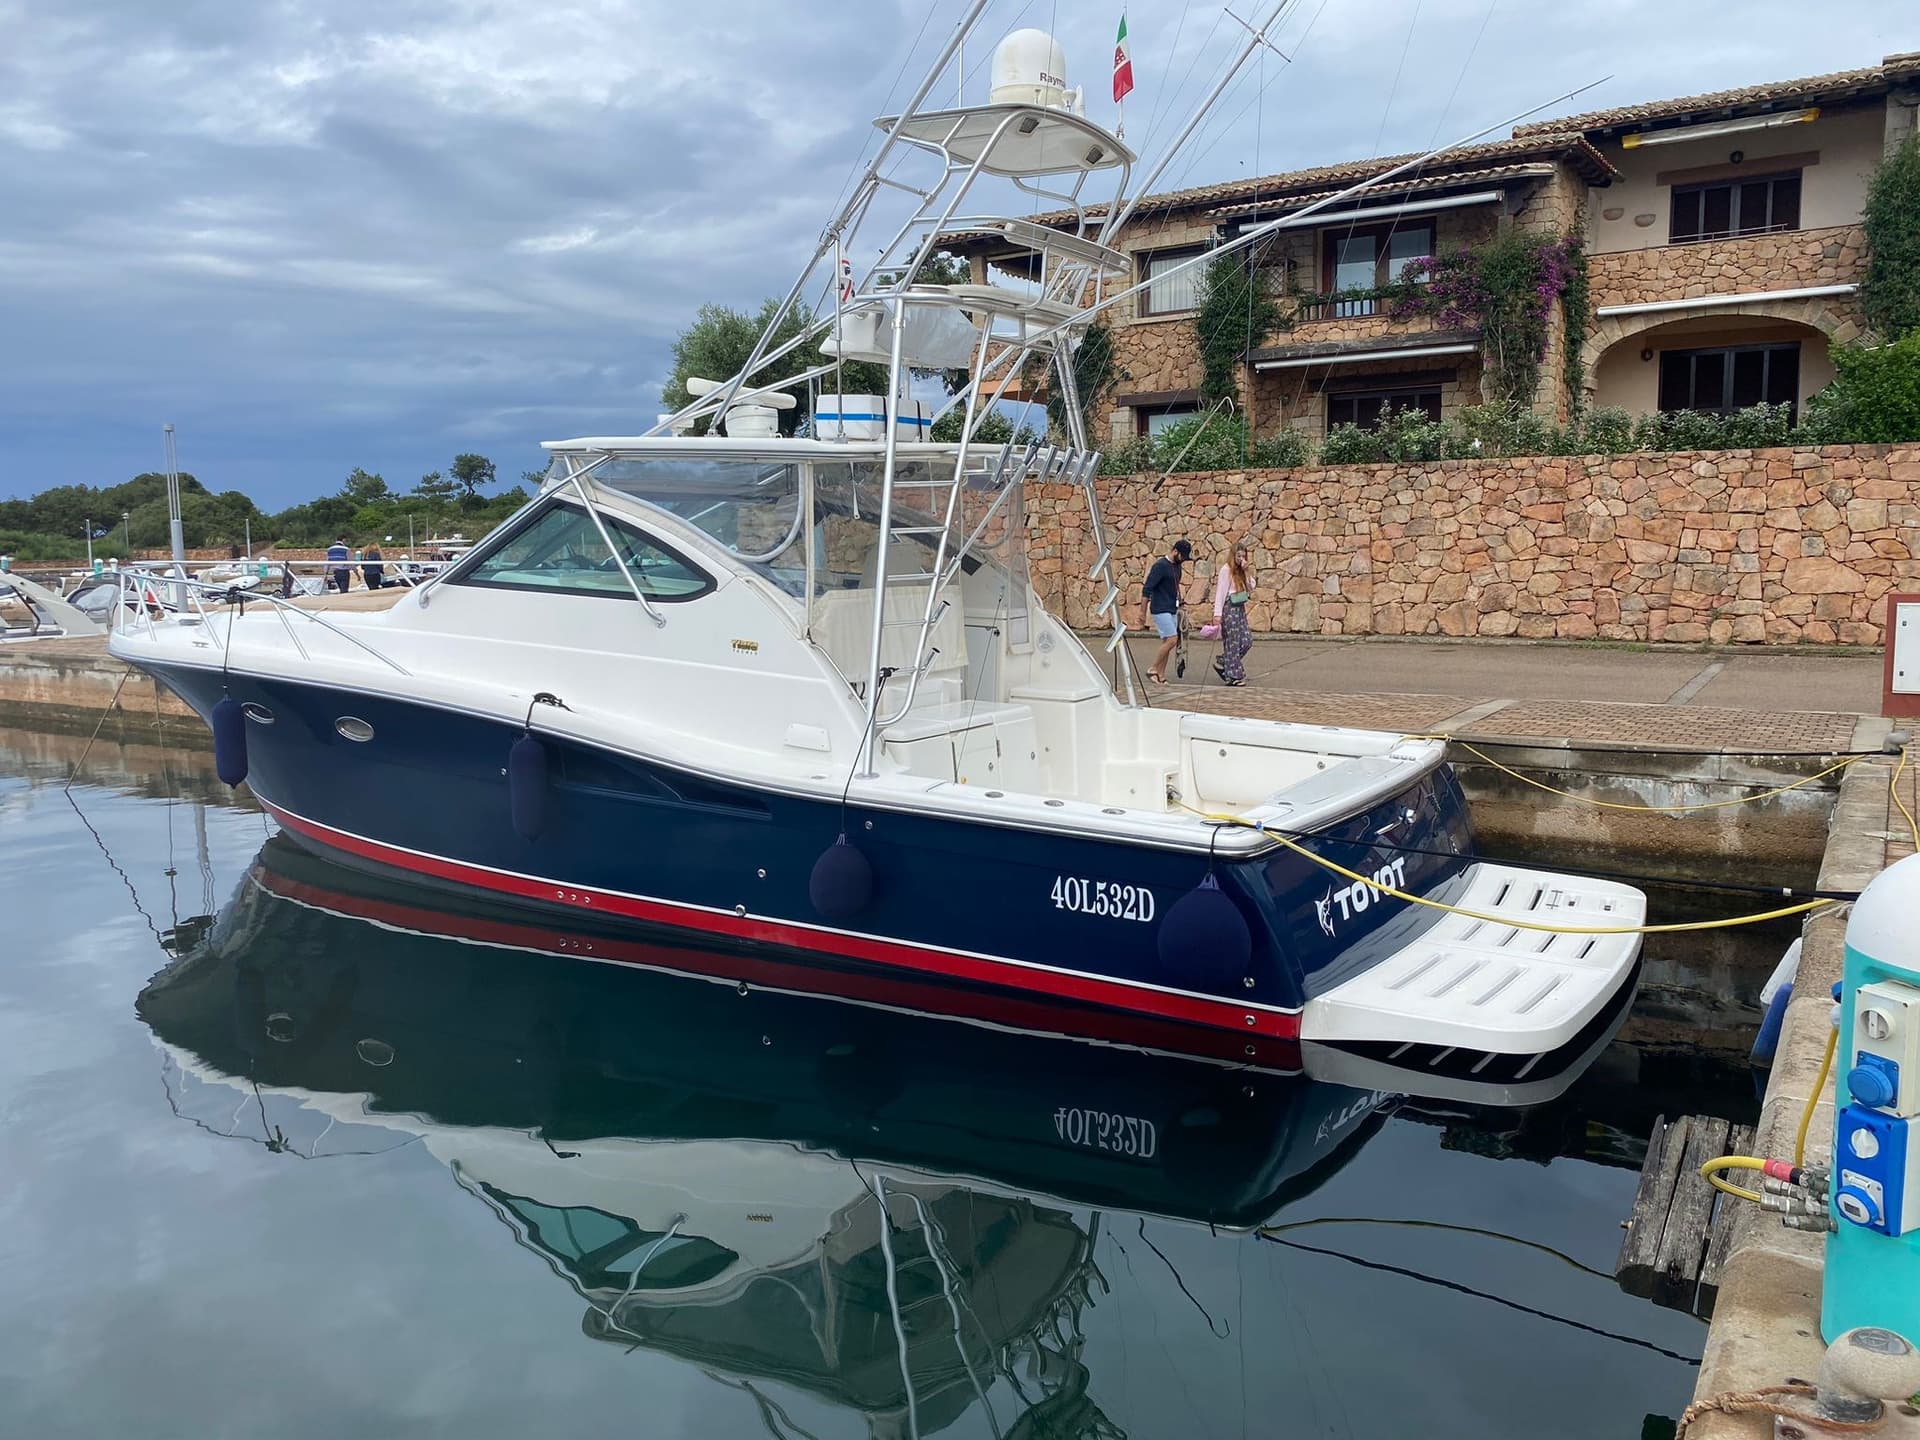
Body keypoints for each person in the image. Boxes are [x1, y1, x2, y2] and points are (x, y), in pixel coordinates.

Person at [1140, 538, 1191, 685]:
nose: (1183, 560)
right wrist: (1142, 612)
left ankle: (1161, 675)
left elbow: (1174, 587)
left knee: (1166, 642)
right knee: (1172, 639)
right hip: (1160, 608)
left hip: (1172, 607)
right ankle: (1153, 668)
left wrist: (1180, 603)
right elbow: (1147, 589)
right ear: (1175, 551)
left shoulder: (1177, 566)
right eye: (1182, 556)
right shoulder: (1160, 566)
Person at [1211, 539, 1255, 687]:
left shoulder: (1242, 571)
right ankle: (1234, 675)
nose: (1241, 559)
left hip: (1240, 607)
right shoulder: (1226, 570)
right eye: (1238, 556)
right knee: (1233, 642)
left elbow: (1251, 587)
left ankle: (1226, 661)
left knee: (1246, 640)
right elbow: (1221, 592)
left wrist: (1246, 571)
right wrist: (1217, 614)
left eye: (1243, 556)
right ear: (1233, 555)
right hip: (1230, 608)